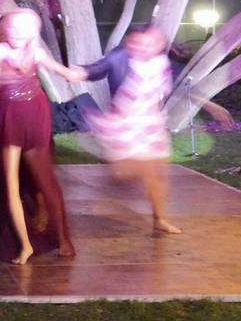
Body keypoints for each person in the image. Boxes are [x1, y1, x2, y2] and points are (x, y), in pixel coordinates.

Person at [0, 9, 77, 265]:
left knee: (46, 179)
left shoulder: (35, 52)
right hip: (9, 114)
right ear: (4, 28)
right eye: (12, 28)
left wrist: (80, 73)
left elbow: (64, 72)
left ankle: (63, 238)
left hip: (35, 113)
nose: (16, 34)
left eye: (22, 30)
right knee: (10, 182)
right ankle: (24, 245)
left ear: (31, 33)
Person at [74, 26, 182, 235]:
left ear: (160, 44)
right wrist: (76, 72)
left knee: (158, 174)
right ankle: (122, 168)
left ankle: (160, 218)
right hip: (127, 123)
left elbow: (165, 90)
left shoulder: (162, 63)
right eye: (137, 43)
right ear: (130, 43)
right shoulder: (120, 57)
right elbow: (97, 69)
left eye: (149, 43)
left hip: (151, 124)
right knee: (126, 173)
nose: (142, 48)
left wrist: (210, 105)